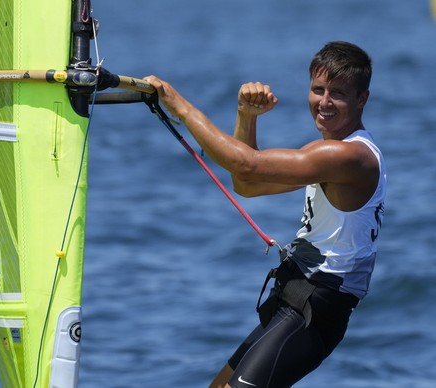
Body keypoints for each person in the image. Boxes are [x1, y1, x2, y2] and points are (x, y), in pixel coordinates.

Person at [145, 41, 386, 388]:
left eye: (339, 93)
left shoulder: (351, 158)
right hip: (295, 295)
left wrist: (178, 105)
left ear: (362, 99)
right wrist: (246, 116)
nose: (324, 102)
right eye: (318, 90)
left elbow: (245, 163)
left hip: (315, 311)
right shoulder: (326, 153)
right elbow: (247, 184)